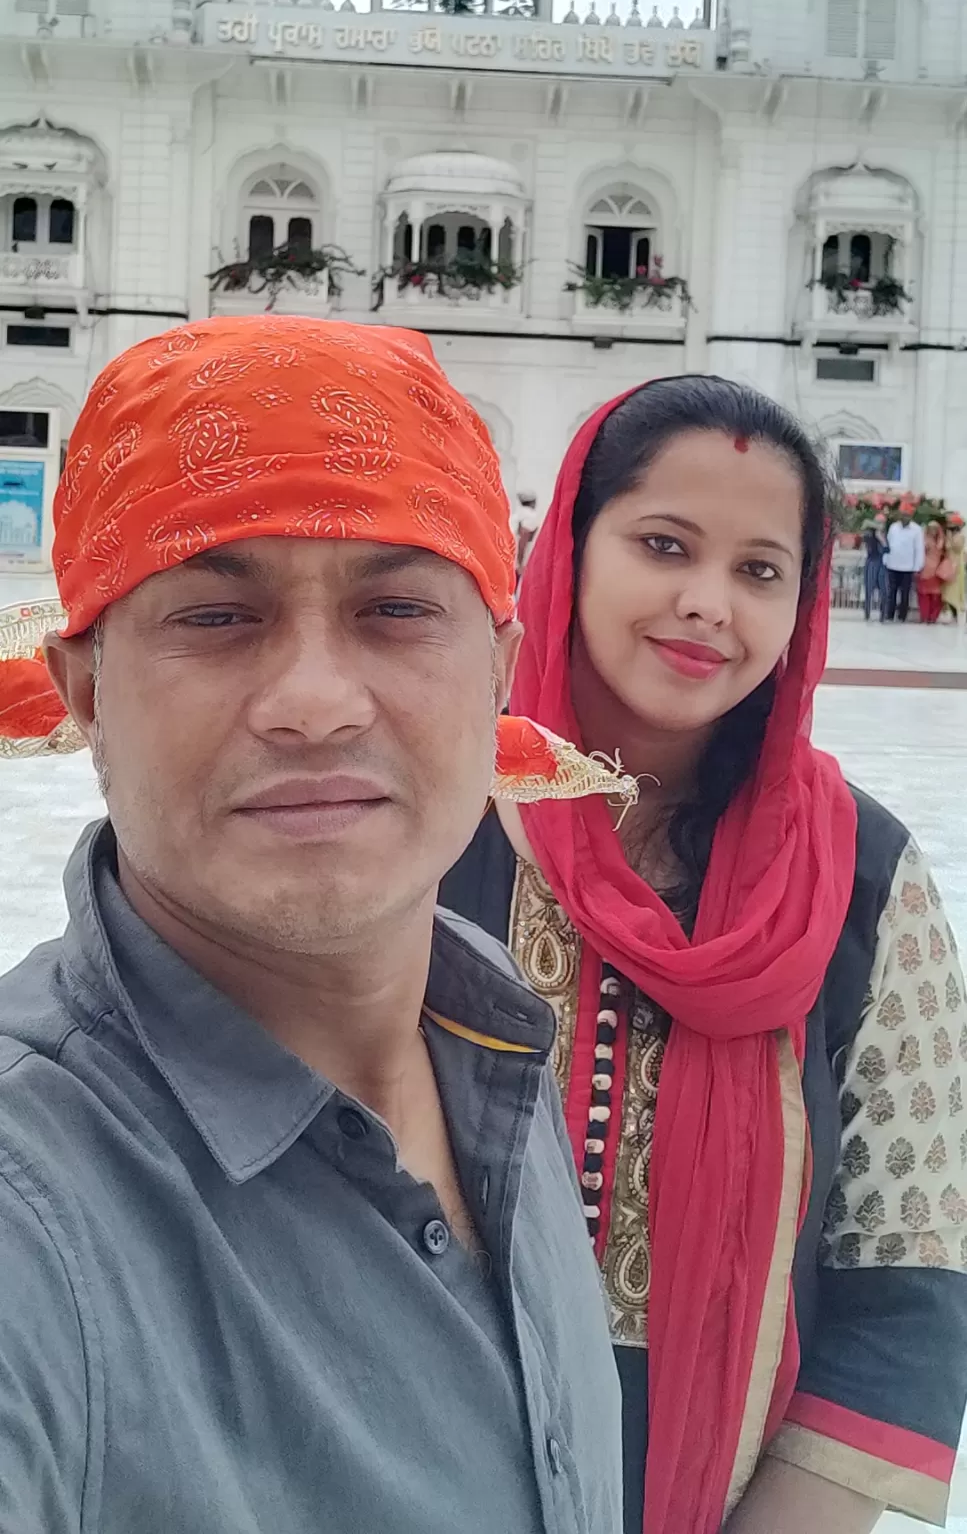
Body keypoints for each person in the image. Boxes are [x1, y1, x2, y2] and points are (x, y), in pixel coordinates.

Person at [0, 317, 624, 1534]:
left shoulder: (490, 1023)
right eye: (215, 617)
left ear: (499, 671)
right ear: (87, 691)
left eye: (394, 608)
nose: (315, 704)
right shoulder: (36, 1211)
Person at [441, 375, 967, 1534]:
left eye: (759, 569)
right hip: (403, 1454)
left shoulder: (857, 878)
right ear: (567, 548)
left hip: (737, 1491)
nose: (707, 603)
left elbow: (906, 1259)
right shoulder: (424, 822)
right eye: (663, 543)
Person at [882, 505, 925, 621]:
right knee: (891, 592)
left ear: (911, 516)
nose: (905, 517)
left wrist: (918, 566)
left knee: (905, 593)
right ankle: (889, 615)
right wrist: (885, 559)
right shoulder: (893, 527)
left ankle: (902, 616)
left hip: (908, 567)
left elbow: (919, 549)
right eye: (903, 515)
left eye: (907, 515)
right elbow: (888, 544)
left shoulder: (917, 530)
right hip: (892, 564)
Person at [916, 519, 948, 624]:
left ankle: (932, 617)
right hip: (925, 569)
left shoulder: (941, 540)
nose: (933, 531)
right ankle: (924, 616)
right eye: (931, 529)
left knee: (936, 597)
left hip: (937, 571)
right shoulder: (925, 539)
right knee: (924, 595)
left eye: (935, 529)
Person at [861, 514, 887, 619]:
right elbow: (864, 527)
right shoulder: (869, 533)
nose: (880, 525)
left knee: (884, 591)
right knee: (869, 590)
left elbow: (887, 549)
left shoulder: (884, 535)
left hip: (882, 564)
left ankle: (883, 615)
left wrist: (881, 539)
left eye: (882, 522)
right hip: (872, 562)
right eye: (878, 522)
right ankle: (867, 614)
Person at [515, 491, 540, 587]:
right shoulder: (530, 515)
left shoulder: (516, 514)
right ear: (533, 503)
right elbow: (523, 540)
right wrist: (520, 564)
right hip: (519, 563)